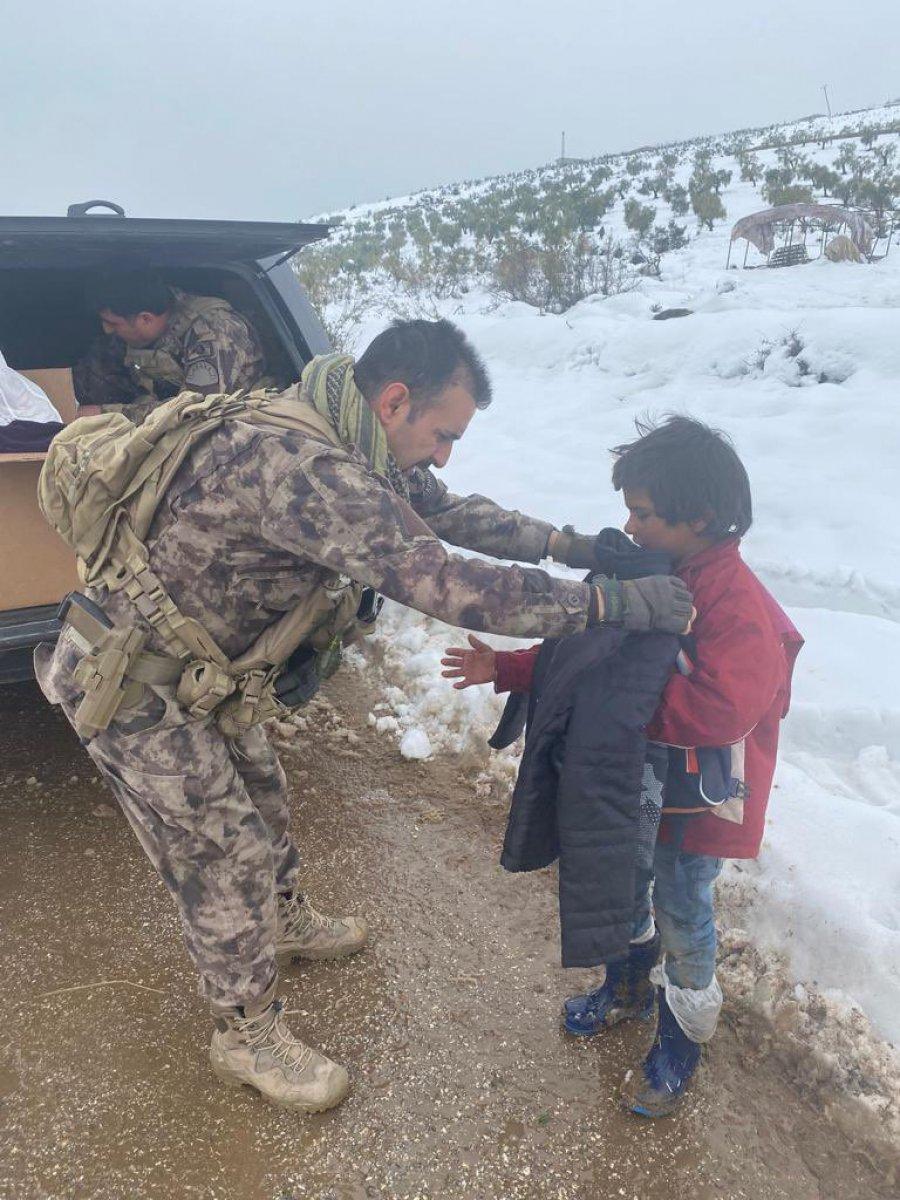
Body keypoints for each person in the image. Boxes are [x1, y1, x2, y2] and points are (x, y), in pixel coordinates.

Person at [35, 319, 693, 1115]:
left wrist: (572, 542)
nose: (444, 454)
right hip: (135, 682)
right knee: (225, 853)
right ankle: (244, 1035)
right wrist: (609, 603)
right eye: (442, 434)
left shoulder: (350, 433)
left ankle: (277, 922)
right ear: (393, 400)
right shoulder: (301, 469)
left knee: (265, 803)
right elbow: (445, 582)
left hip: (207, 676)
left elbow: (449, 513)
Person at [442, 416, 802, 1117]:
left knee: (682, 909)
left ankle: (681, 1038)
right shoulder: (652, 572)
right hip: (638, 784)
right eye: (628, 510)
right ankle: (630, 989)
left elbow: (718, 711)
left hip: (700, 804)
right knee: (621, 879)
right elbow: (586, 650)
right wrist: (509, 667)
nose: (629, 526)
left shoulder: (738, 612)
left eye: (642, 513)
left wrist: (607, 710)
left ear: (698, 519)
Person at [72, 271, 268, 420]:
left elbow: (195, 409)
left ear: (145, 319)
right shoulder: (127, 338)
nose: (107, 329)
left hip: (227, 424)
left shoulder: (213, 330)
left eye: (113, 323)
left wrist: (105, 414)